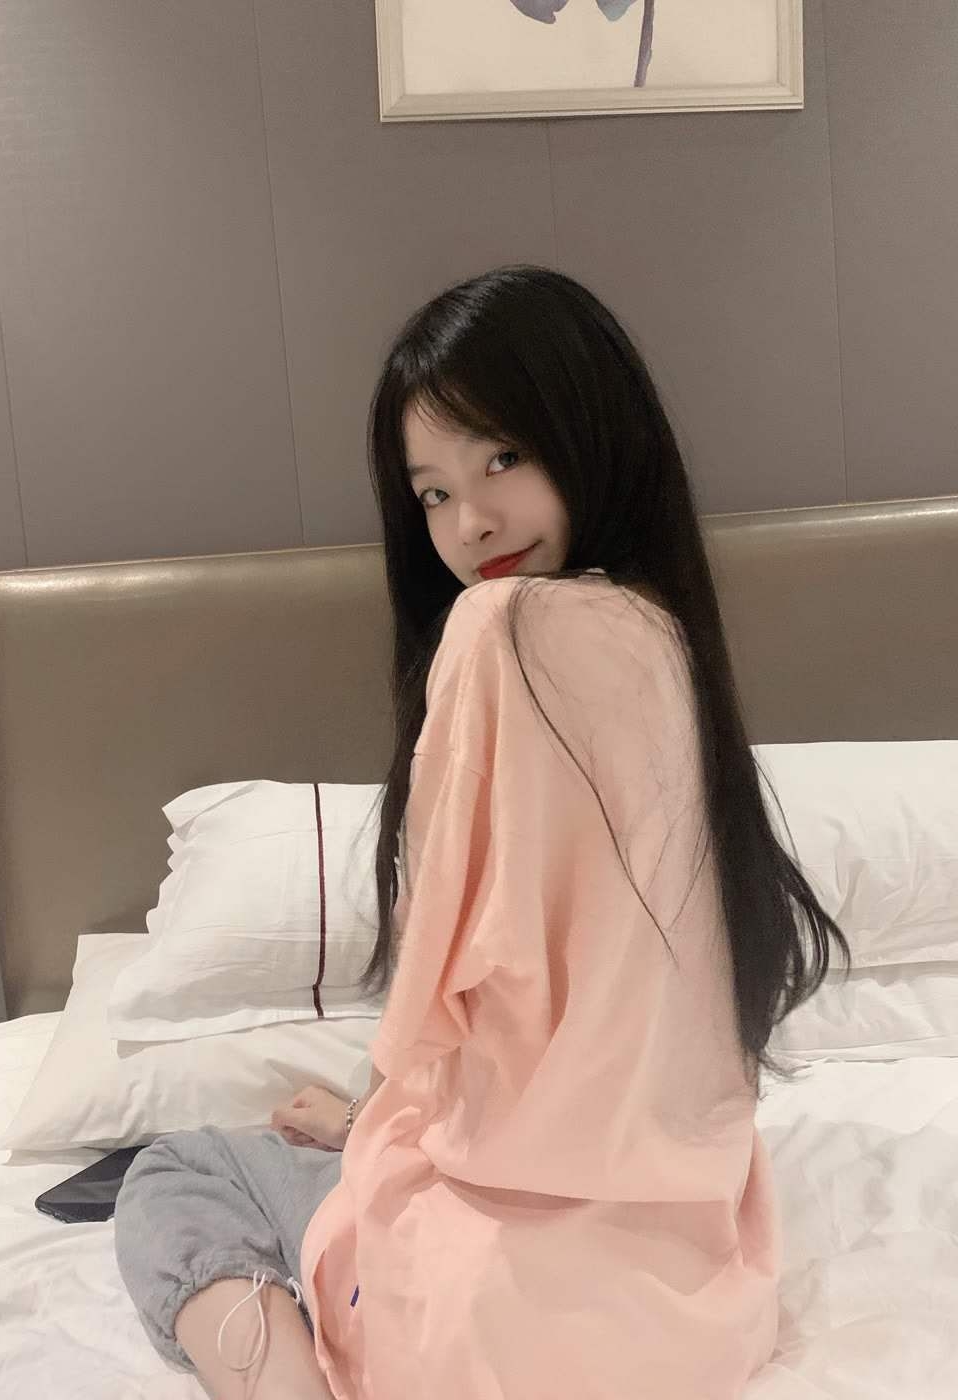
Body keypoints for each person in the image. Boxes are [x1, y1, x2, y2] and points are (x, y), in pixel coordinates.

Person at [113, 264, 849, 1399]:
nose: (471, 523)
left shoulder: (495, 628)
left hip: (487, 1314)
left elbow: (440, 1003)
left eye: (502, 456)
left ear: (591, 427)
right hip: (689, 1308)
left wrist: (371, 1123)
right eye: (432, 494)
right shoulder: (671, 648)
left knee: (178, 1171)